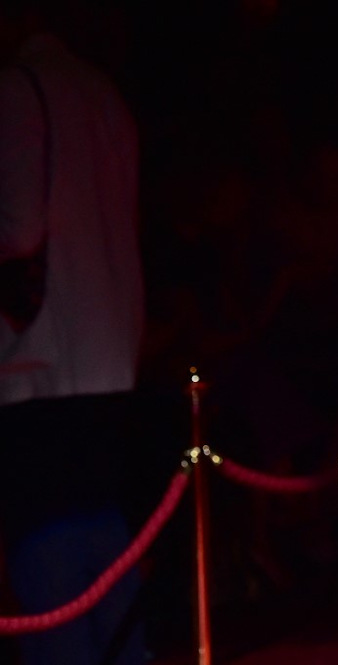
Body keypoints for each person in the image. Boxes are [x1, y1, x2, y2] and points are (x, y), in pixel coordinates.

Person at [0, 2, 145, 664]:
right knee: (98, 524)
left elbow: (17, 228)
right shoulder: (102, 89)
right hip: (110, 344)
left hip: (41, 357)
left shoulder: (17, 88)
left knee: (45, 531)